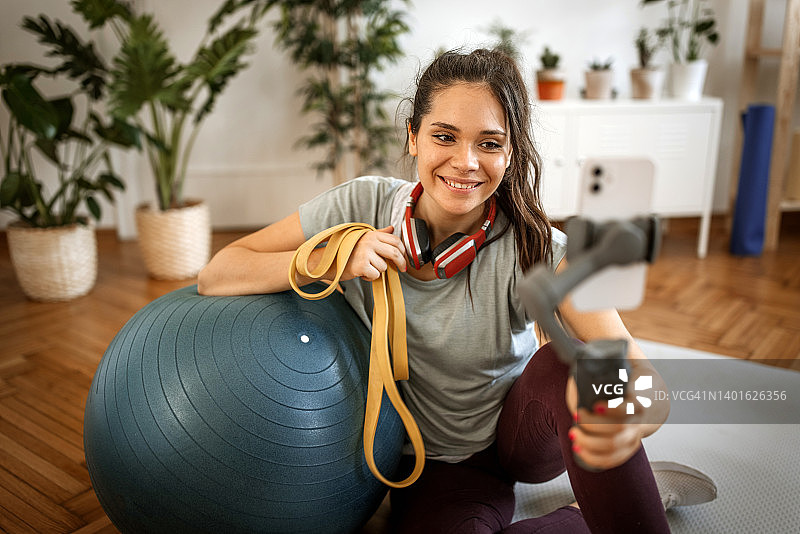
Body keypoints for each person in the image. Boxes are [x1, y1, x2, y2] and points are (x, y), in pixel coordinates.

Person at [199, 48, 715, 533]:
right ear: (412, 137)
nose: (466, 162)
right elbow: (219, 272)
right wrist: (334, 257)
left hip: (517, 436)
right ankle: (612, 504)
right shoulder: (359, 207)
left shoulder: (536, 248)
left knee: (577, 363)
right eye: (444, 136)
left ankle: (630, 500)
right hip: (432, 465)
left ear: (511, 154)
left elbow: (652, 394)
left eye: (489, 143)